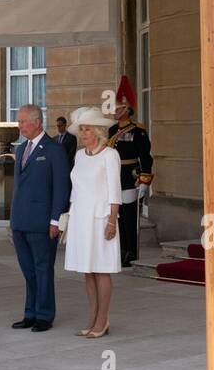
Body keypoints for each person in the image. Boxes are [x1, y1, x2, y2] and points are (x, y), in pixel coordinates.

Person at [9, 104, 69, 332]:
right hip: (21, 220)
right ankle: (30, 312)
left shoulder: (53, 149)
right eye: (19, 121)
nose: (20, 125)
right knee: (28, 269)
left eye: (23, 121)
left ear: (37, 122)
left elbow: (61, 188)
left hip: (43, 222)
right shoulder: (21, 149)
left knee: (43, 268)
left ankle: (44, 314)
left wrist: (55, 220)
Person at [63, 105, 121, 337]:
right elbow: (76, 189)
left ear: (97, 131)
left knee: (101, 270)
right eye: (81, 130)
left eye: (86, 130)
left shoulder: (110, 155)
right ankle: (92, 316)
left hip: (100, 219)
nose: (83, 134)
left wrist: (112, 221)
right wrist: (70, 216)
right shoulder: (79, 155)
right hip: (80, 218)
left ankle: (103, 319)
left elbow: (114, 192)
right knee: (87, 271)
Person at [106, 75, 152, 266]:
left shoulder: (137, 131)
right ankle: (121, 248)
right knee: (118, 216)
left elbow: (145, 156)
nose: (115, 111)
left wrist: (144, 179)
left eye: (119, 108)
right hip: (114, 176)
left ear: (128, 110)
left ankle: (130, 251)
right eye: (114, 108)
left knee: (129, 217)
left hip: (129, 176)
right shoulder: (112, 130)